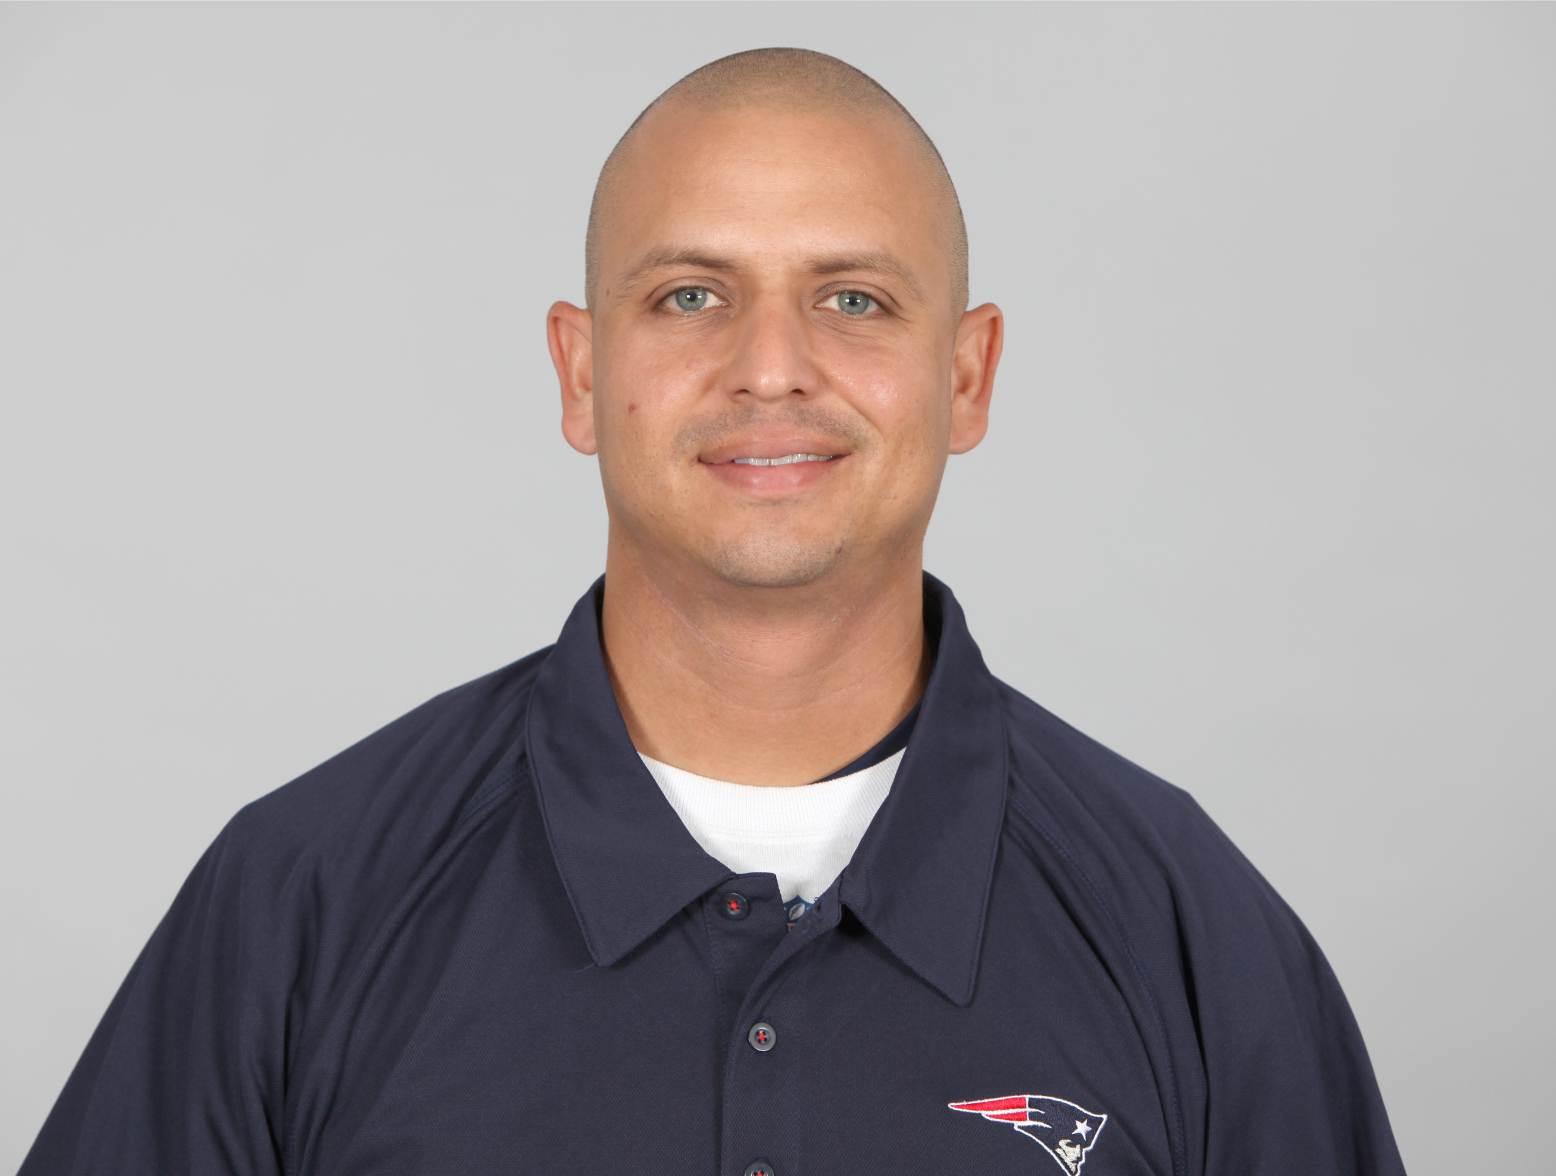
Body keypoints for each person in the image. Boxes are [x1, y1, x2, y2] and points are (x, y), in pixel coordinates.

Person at [19, 47, 1408, 1176]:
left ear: (967, 377)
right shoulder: (301, 905)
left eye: (853, 299)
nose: (770, 369)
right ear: (579, 373)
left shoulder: (1189, 933)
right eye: (691, 295)